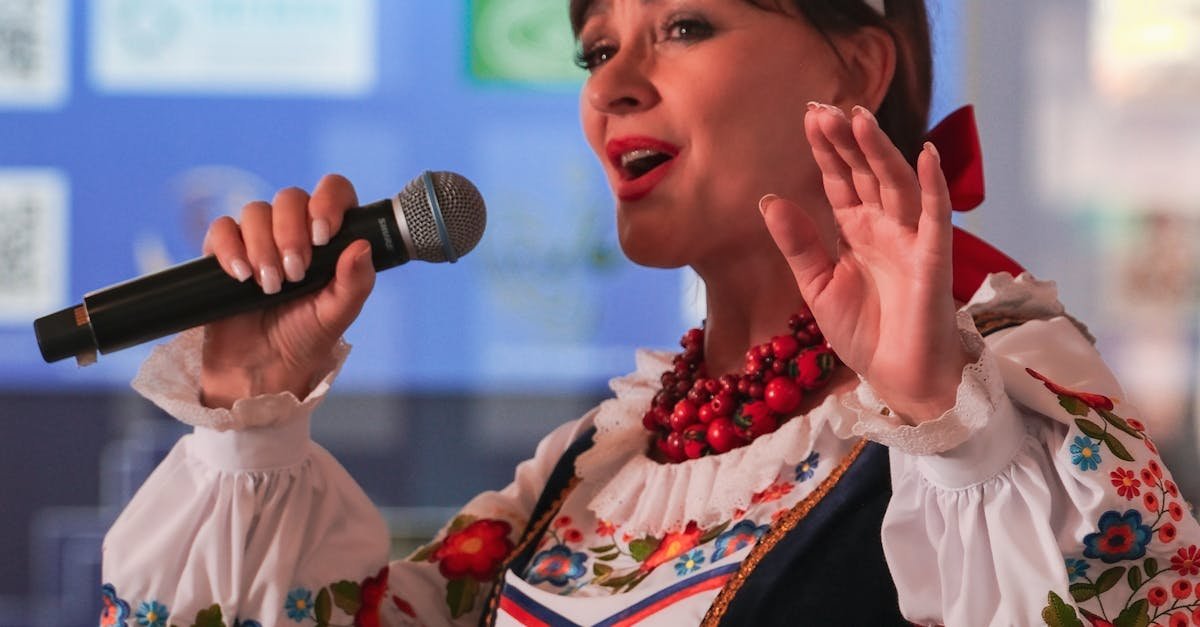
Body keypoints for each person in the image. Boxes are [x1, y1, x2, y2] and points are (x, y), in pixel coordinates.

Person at [100, 0, 1200, 625]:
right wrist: (252, 406)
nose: (612, 83)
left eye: (681, 24)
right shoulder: (597, 457)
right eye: (595, 49)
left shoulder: (1000, 401)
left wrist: (933, 412)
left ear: (859, 67)